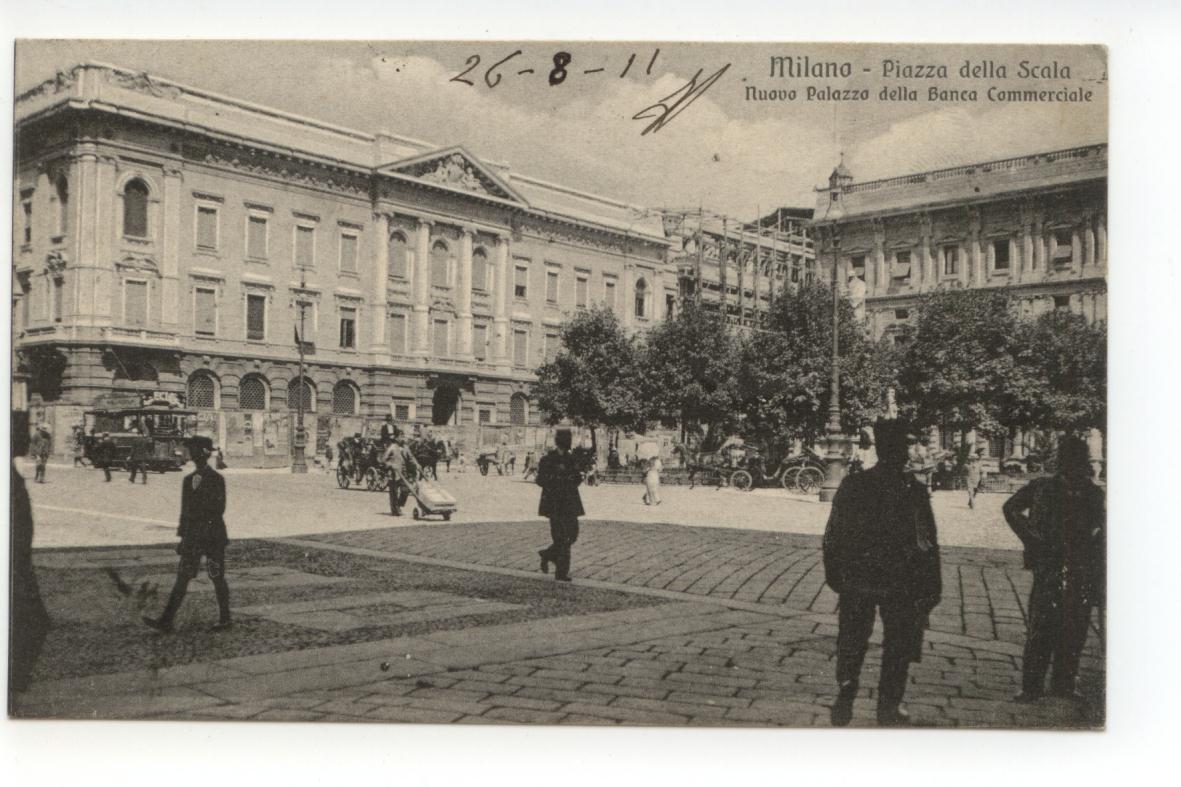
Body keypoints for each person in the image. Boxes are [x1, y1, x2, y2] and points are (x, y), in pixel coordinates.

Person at [823, 419, 942, 727]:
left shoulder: (855, 484)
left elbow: (833, 532)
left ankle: (847, 684)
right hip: (900, 579)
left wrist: (834, 573)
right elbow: (928, 540)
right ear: (900, 450)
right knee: (898, 644)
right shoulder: (913, 490)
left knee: (852, 637)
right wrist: (933, 583)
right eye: (905, 446)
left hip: (859, 577)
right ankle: (889, 705)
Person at [1002, 436, 1105, 704]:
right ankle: (1032, 686)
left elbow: (1102, 533)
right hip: (1049, 565)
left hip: (1081, 567)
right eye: (1069, 459)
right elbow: (1011, 508)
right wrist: (1031, 537)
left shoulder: (1094, 494)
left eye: (1076, 460)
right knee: (1042, 626)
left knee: (1076, 627)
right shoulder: (1042, 487)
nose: (1073, 466)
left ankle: (1064, 683)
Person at [143, 436, 232, 633]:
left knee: (217, 576)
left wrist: (198, 525)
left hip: (212, 537)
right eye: (191, 451)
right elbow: (184, 512)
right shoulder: (188, 480)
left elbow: (219, 509)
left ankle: (225, 618)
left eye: (194, 451)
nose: (192, 455)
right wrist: (183, 537)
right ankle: (166, 620)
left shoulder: (217, 479)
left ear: (204, 454)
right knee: (183, 577)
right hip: (193, 538)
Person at [536, 429, 585, 582]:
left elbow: (578, 479)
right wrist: (556, 477)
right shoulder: (548, 459)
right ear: (560, 441)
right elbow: (540, 480)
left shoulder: (572, 458)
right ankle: (561, 572)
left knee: (573, 535)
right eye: (567, 438)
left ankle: (548, 554)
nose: (569, 441)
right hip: (555, 503)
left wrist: (572, 478)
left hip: (570, 502)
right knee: (561, 538)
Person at [383, 434, 420, 517]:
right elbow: (384, 459)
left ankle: (398, 505)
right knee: (394, 493)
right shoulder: (392, 447)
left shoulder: (406, 447)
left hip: (404, 473)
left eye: (404, 436)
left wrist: (416, 464)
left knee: (406, 490)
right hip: (394, 473)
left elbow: (411, 458)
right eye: (401, 436)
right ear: (397, 438)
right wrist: (391, 465)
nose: (403, 438)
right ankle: (395, 510)